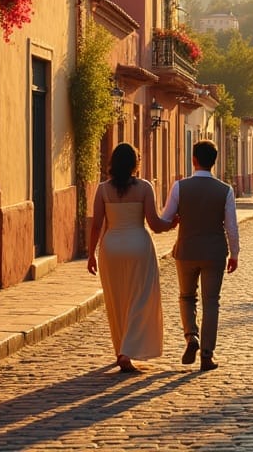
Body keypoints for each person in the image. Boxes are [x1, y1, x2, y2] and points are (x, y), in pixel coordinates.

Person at [86, 143, 175, 373]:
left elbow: (96, 225)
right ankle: (127, 351)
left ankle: (121, 350)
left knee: (117, 301)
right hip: (139, 246)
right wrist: (172, 223)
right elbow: (155, 224)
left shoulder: (103, 189)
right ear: (136, 163)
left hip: (111, 247)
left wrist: (91, 255)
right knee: (141, 299)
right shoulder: (144, 187)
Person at [160, 140, 239, 372]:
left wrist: (173, 222)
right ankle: (207, 354)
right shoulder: (225, 190)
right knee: (211, 301)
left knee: (186, 297)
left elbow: (166, 218)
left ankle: (191, 336)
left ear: (193, 159)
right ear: (214, 162)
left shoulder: (179, 187)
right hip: (214, 252)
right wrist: (234, 254)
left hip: (186, 251)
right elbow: (231, 227)